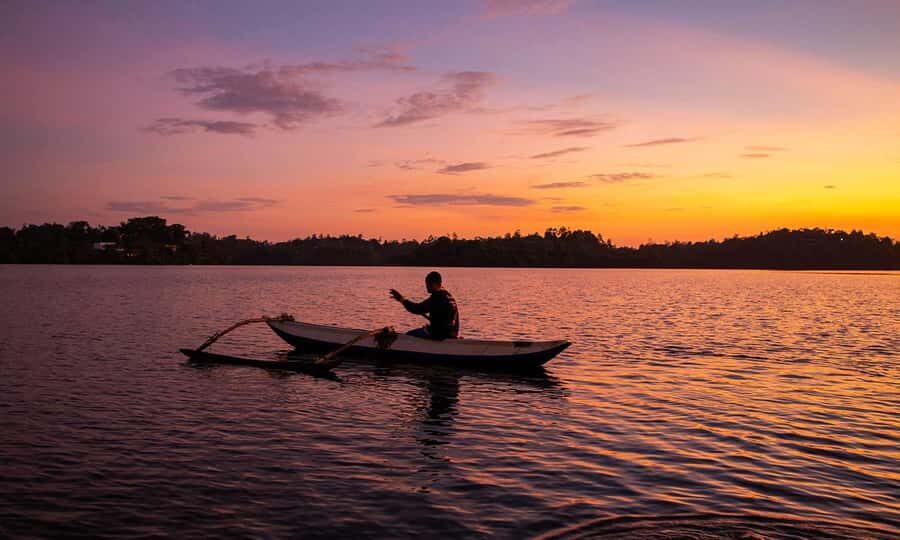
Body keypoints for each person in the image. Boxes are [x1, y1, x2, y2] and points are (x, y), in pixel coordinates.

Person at [390, 271, 460, 340]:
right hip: (452, 334)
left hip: (439, 335)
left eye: (428, 284)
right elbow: (446, 319)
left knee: (408, 336)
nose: (426, 287)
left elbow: (416, 309)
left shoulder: (437, 297)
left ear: (434, 284)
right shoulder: (449, 296)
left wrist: (402, 299)